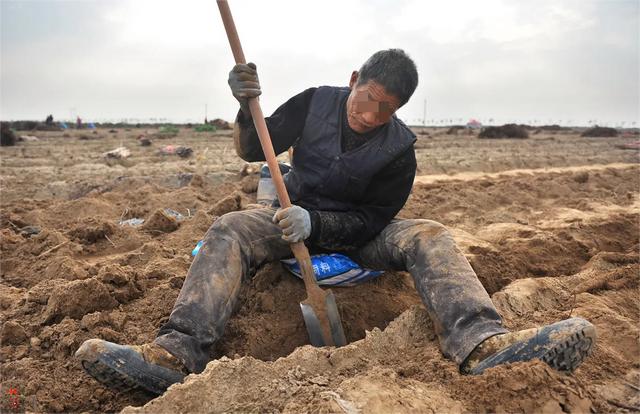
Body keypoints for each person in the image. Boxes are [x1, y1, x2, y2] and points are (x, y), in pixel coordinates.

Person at [76, 49, 596, 395]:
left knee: (430, 233)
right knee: (231, 227)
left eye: (386, 110)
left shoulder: (400, 149)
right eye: (368, 100)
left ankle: (481, 344)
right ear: (354, 81)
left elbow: (375, 218)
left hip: (357, 235)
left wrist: (319, 224)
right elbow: (256, 147)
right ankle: (176, 353)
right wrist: (243, 107)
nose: (371, 116)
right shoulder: (315, 103)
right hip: (283, 218)